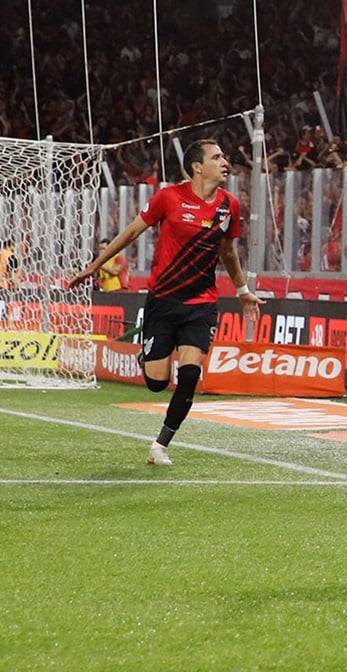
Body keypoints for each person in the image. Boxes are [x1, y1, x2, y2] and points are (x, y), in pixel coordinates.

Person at [67, 139, 262, 465]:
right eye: (217, 157)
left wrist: (242, 291)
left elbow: (227, 252)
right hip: (163, 301)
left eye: (223, 156)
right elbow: (131, 233)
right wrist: (95, 265)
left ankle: (161, 445)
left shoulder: (230, 205)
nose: (225, 162)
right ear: (198, 167)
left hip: (201, 305)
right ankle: (152, 351)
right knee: (157, 383)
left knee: (189, 375)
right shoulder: (169, 198)